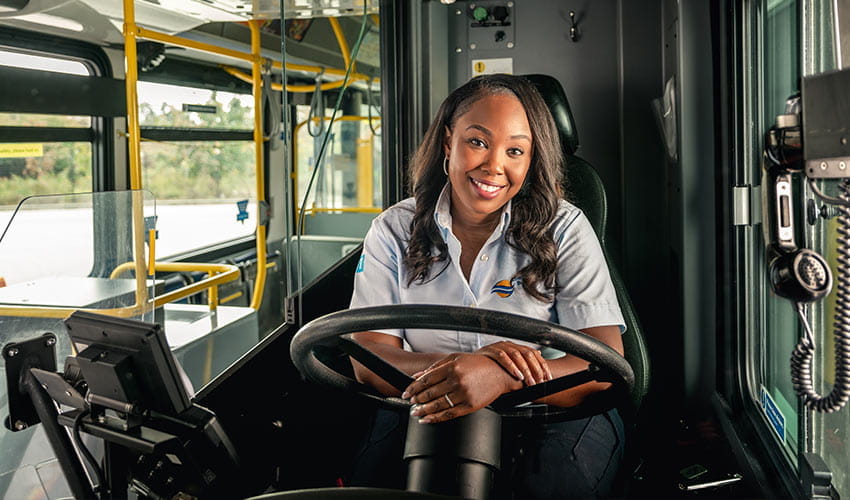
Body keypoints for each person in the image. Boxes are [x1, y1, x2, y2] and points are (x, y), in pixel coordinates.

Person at [348, 74, 626, 499]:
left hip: (551, 413)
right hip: (421, 408)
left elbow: (600, 368)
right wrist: (462, 371)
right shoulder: (393, 229)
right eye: (477, 142)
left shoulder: (566, 228)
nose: (494, 166)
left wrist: (501, 376)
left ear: (531, 160)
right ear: (447, 143)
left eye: (515, 151)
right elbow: (370, 358)